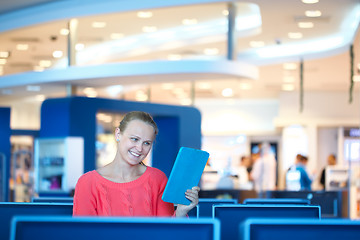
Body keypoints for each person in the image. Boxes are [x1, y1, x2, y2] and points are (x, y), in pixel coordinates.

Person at [73, 111, 199, 217]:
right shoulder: (88, 182)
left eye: (147, 143)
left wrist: (180, 213)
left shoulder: (157, 179)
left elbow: (166, 232)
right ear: (118, 134)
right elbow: (81, 234)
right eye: (134, 139)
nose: (139, 148)